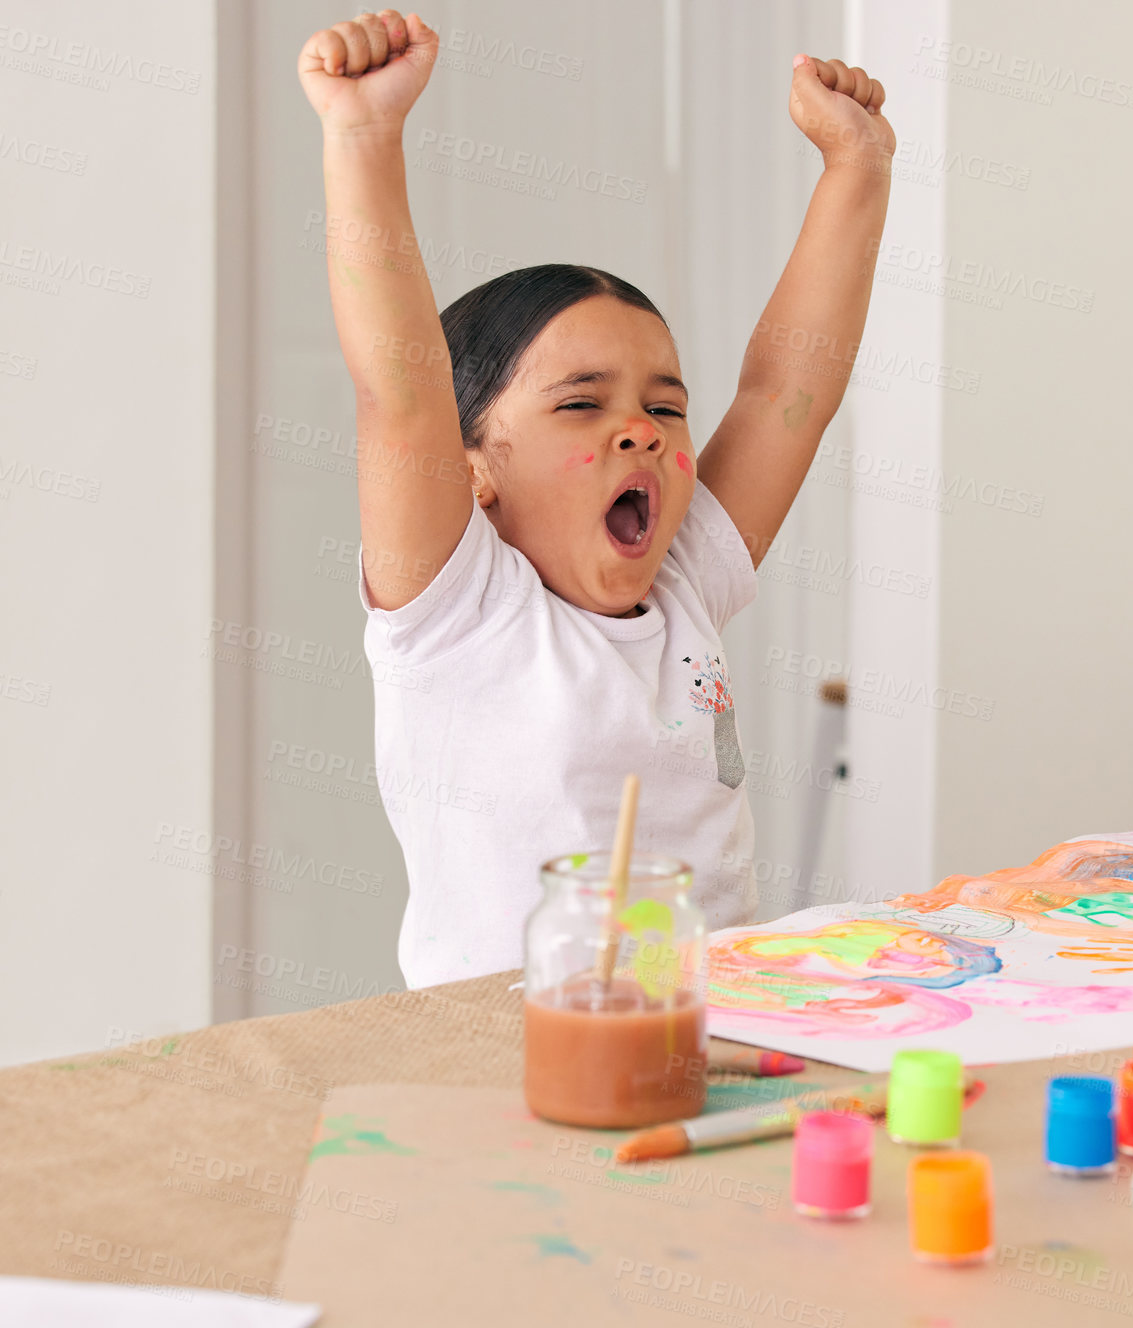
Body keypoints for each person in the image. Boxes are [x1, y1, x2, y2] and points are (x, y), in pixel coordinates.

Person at [297, 9, 894, 985]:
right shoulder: (459, 613)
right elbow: (399, 394)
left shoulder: (683, 583)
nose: (641, 430)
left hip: (700, 1031)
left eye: (664, 405)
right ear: (473, 467)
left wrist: (855, 172)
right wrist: (361, 137)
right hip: (498, 1055)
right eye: (581, 404)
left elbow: (789, 387)